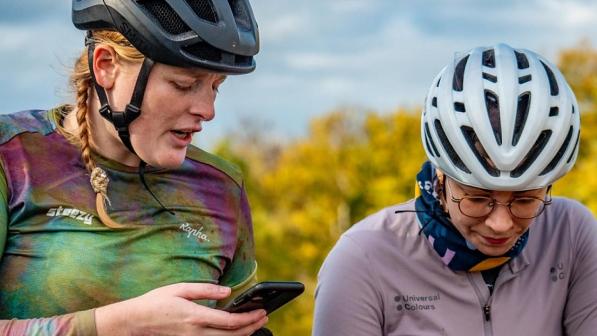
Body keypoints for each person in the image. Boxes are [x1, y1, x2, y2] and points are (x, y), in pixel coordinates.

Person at [0, 1, 270, 335]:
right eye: (184, 85)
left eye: (216, 86)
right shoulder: (13, 158)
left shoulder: (221, 188)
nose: (207, 109)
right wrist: (122, 325)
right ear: (106, 66)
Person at [313, 43, 597, 335]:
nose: (500, 224)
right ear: (440, 178)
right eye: (477, 198)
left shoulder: (571, 234)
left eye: (525, 200)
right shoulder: (360, 261)